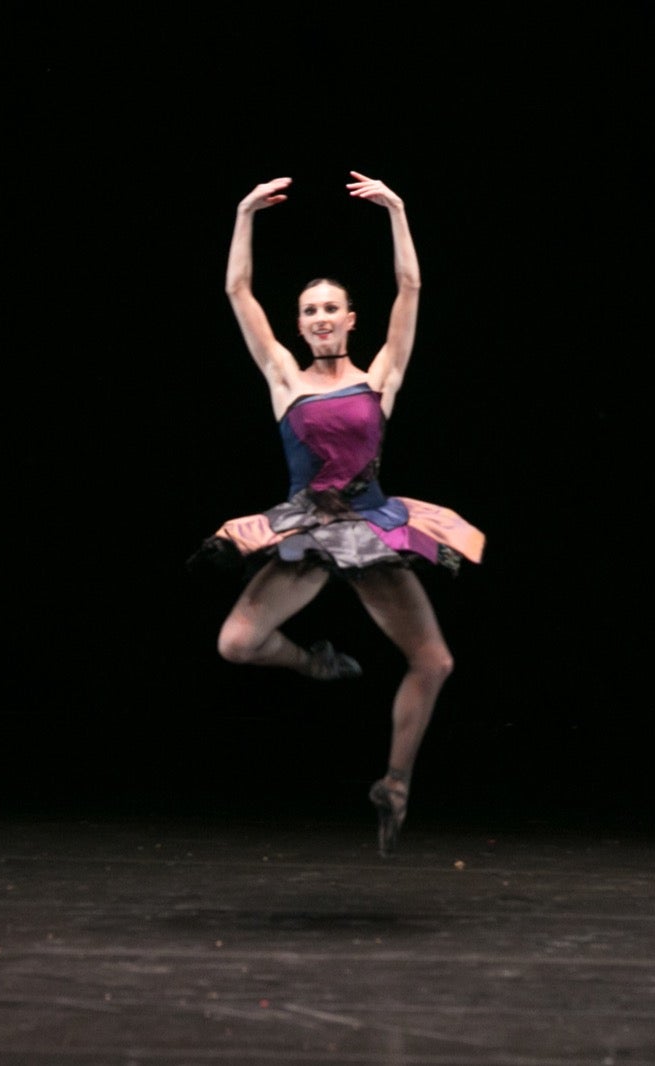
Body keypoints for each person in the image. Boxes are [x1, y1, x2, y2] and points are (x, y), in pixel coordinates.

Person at [200, 172, 484, 857]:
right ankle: (312, 664)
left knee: (434, 661)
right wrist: (243, 213)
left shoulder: (379, 376)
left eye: (332, 309)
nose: (321, 318)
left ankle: (394, 782)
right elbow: (238, 292)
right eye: (309, 311)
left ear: (351, 319)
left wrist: (398, 210)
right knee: (236, 644)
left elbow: (411, 291)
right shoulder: (285, 380)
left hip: (372, 528)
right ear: (298, 325)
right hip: (306, 529)